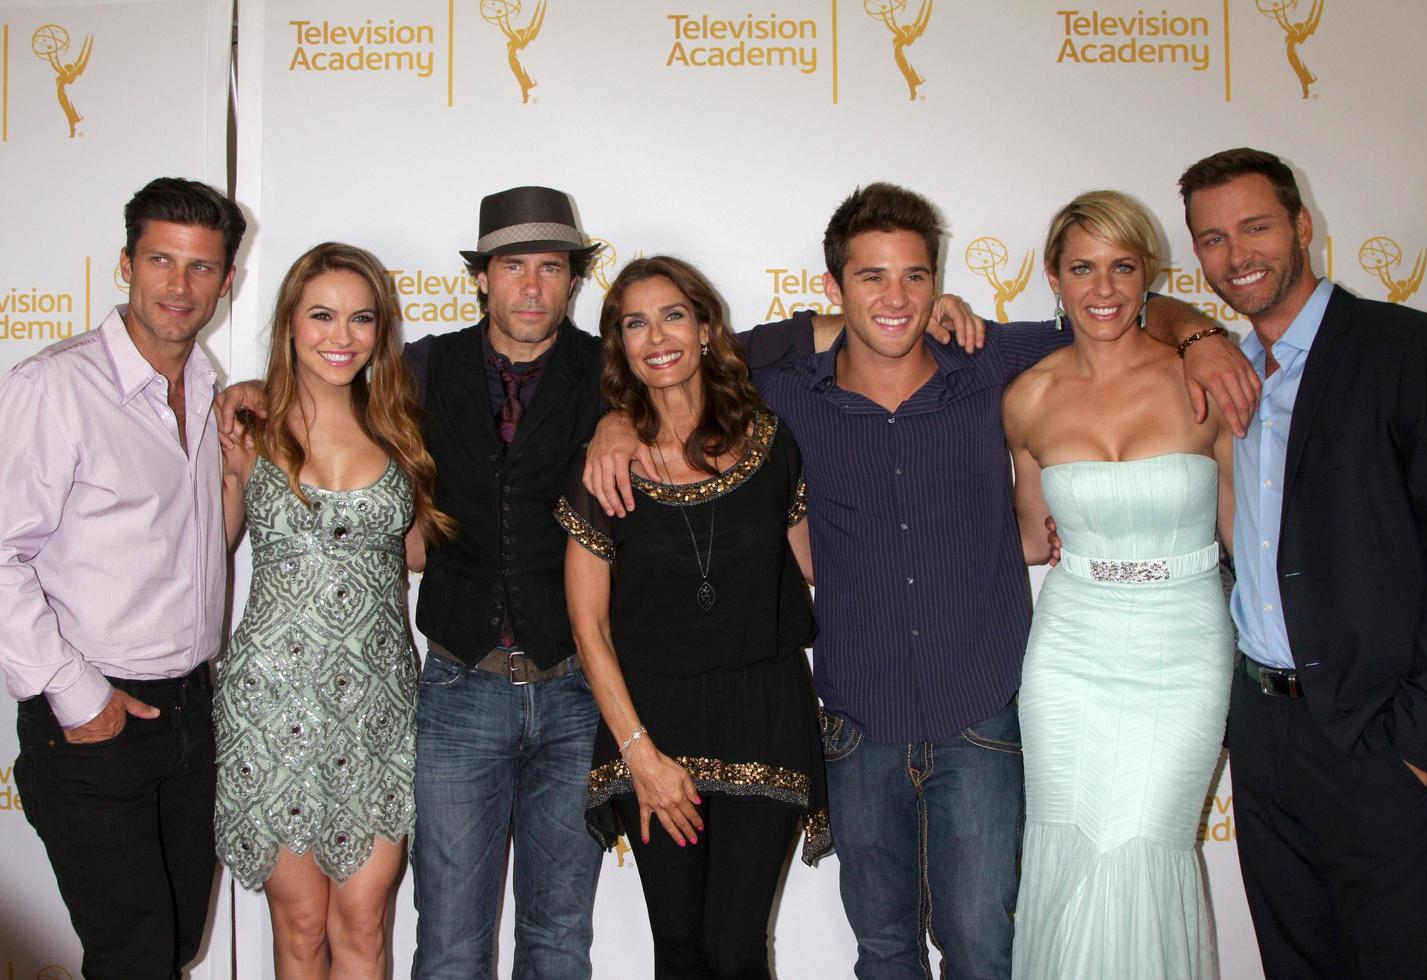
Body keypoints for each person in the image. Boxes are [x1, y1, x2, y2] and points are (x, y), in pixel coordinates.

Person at [213, 186, 986, 978]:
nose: (532, 287)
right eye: (513, 266)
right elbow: (329, 377)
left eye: (552, 268)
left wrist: (924, 310)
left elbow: (772, 343)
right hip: (457, 689)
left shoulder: (610, 374)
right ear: (482, 278)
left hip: (574, 693)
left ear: (574, 280)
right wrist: (249, 392)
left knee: (558, 938)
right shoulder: (420, 370)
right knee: (448, 940)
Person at [582, 183, 1258, 978]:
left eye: (914, 276)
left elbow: (1117, 311)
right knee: (885, 953)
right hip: (857, 721)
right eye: (871, 277)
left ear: (939, 283)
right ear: (834, 290)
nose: (895, 298)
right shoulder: (788, 388)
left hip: (982, 716)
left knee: (982, 949)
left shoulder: (992, 360)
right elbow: (676, 355)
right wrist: (614, 419)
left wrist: (1206, 335)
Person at [1177, 147, 1427, 978]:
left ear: (1304, 227)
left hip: (1379, 733)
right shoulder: (1222, 370)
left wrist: (1419, 745)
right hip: (1266, 737)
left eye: (1256, 227)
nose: (1237, 256)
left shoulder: (1413, 352)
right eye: (1212, 240)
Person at [0, 177, 244, 978]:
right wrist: (78, 696)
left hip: (191, 712)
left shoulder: (209, 390)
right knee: (134, 955)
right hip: (93, 722)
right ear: (125, 265)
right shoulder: (56, 387)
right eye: (162, 260)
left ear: (227, 280)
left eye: (202, 267)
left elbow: (195, 541)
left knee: (172, 946)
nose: (180, 285)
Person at [557, 256, 825, 978]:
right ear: (620, 346)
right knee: (678, 948)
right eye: (634, 323)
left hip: (766, 714)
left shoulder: (772, 442)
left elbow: (819, 568)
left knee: (734, 949)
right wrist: (639, 754)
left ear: (706, 329)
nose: (657, 336)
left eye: (673, 314)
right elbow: (589, 628)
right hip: (654, 723)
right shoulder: (605, 465)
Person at [1003, 191, 1235, 979]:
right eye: (1082, 268)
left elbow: (1245, 530)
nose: (1102, 290)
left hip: (1183, 647)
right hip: (1070, 650)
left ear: (1149, 279)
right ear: (1054, 279)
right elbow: (1035, 537)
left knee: (1144, 843)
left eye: (1122, 268)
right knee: (1067, 845)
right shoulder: (1027, 396)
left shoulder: (1204, 378)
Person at [214, 243, 453, 977]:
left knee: (362, 921)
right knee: (304, 924)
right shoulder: (248, 430)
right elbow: (206, 553)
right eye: (321, 315)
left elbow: (416, 555)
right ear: (288, 324)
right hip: (270, 703)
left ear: (382, 331)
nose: (340, 336)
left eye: (360, 319)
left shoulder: (404, 433)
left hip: (377, 707)